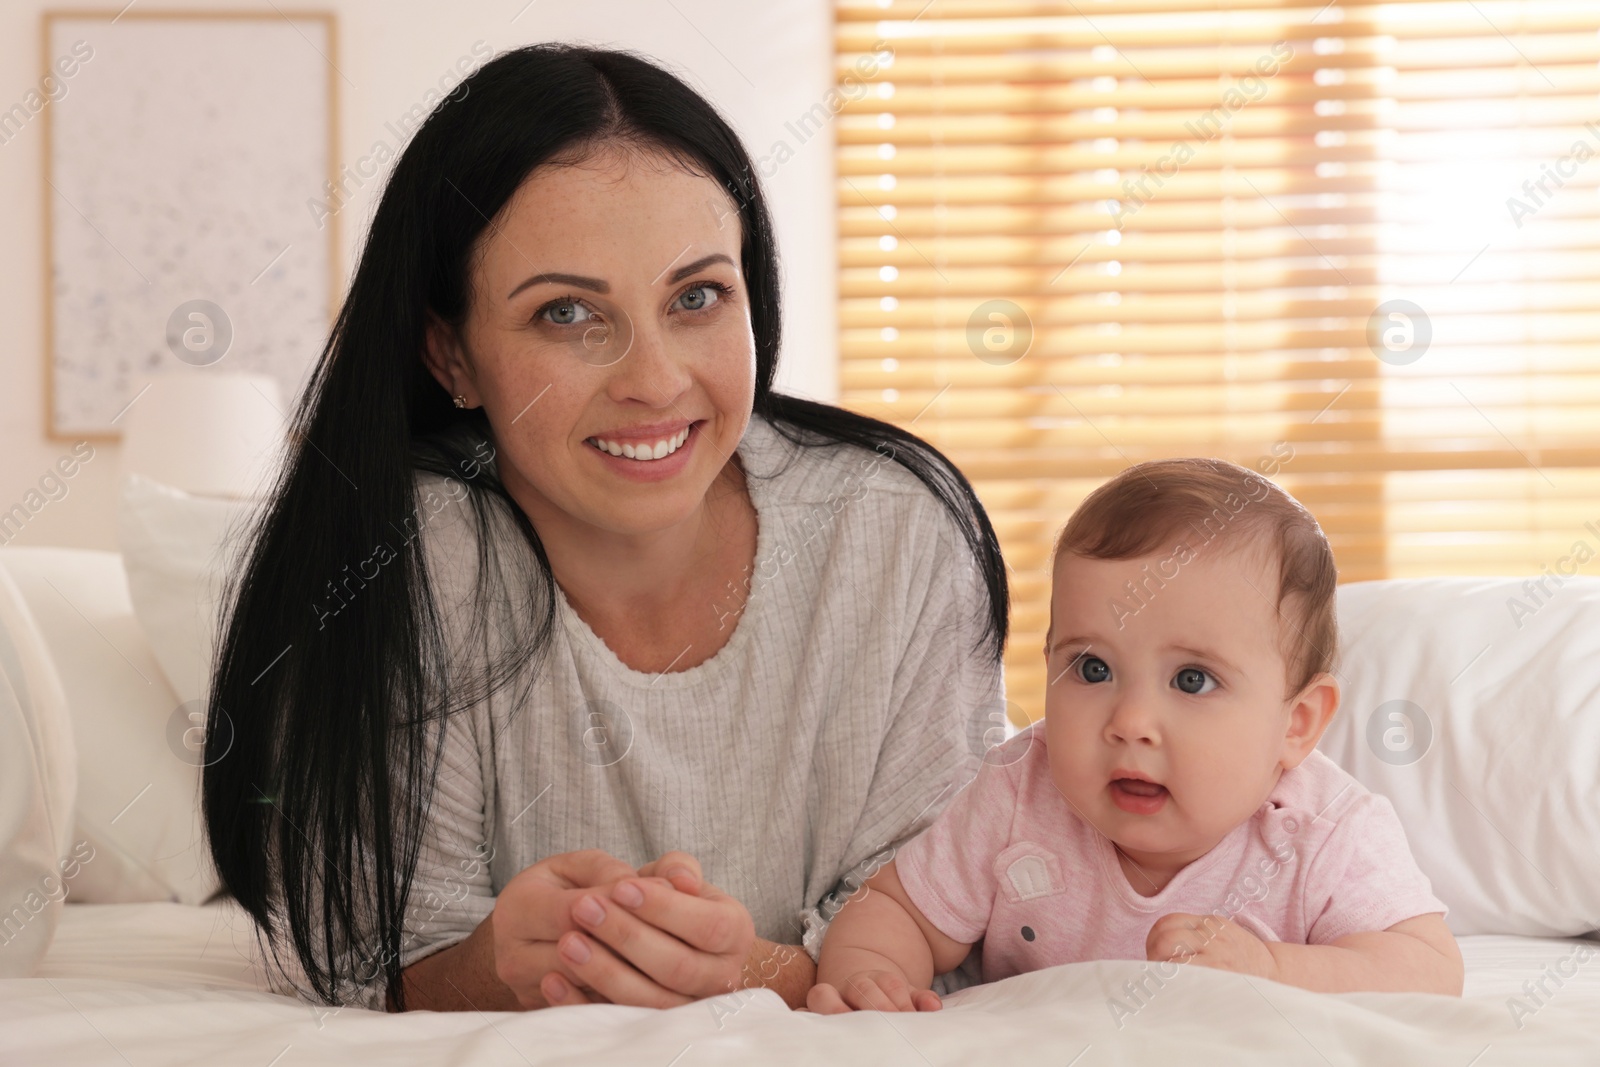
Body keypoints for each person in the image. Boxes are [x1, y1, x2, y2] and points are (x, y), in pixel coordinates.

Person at [200, 44, 1009, 1013]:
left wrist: (752, 969)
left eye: (697, 296)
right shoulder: (403, 561)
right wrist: (508, 961)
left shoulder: (895, 531)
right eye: (568, 312)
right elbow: (366, 953)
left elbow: (951, 914)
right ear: (450, 352)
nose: (654, 380)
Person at [808, 459, 1463, 1014]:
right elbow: (898, 908)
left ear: (1296, 724)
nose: (1129, 721)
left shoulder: (1321, 832)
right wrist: (872, 975)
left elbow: (1429, 968)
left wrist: (1273, 969)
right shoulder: (1017, 795)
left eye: (1192, 680)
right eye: (1092, 668)